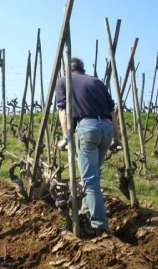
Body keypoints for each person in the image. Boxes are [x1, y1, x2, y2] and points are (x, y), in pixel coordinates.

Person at [55, 57, 121, 234]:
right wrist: (116, 137)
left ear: (67, 69)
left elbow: (63, 110)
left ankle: (99, 225)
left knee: (89, 180)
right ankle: (85, 209)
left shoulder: (63, 81)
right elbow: (112, 110)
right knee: (92, 173)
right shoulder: (97, 81)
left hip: (88, 129)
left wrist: (67, 136)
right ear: (82, 69)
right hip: (106, 128)